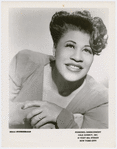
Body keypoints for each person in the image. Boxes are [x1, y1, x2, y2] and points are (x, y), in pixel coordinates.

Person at [9, 10, 108, 129]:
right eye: (70, 45)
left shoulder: (100, 99)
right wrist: (39, 115)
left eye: (87, 50)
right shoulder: (25, 62)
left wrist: (61, 116)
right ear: (55, 48)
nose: (77, 57)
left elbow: (92, 144)